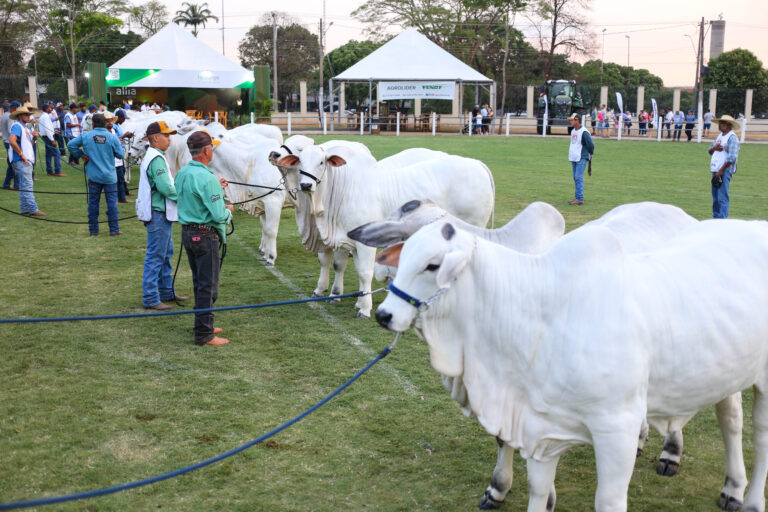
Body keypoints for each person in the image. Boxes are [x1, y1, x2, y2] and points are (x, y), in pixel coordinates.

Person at [176, 130, 233, 346]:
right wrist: (229, 211)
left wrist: (216, 187)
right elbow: (219, 215)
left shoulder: (183, 173)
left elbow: (192, 196)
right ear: (207, 151)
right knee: (208, 285)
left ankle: (204, 322)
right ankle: (204, 333)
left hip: (188, 233)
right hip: (205, 235)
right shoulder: (207, 178)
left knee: (200, 282)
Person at [137, 121, 188, 310]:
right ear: (156, 138)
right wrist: (184, 199)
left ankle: (166, 291)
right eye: (166, 135)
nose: (170, 139)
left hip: (160, 212)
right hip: (158, 213)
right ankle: (151, 297)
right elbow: (165, 187)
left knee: (165, 254)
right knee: (156, 255)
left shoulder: (156, 155)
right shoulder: (156, 158)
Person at [67, 113, 124, 236]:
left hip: (94, 176)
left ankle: (93, 231)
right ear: (105, 124)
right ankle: (114, 229)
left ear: (93, 124)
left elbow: (70, 145)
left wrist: (82, 155)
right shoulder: (112, 137)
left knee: (93, 204)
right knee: (112, 204)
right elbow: (121, 155)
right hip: (110, 176)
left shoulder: (86, 136)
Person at [8, 106, 44, 216]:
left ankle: (24, 209)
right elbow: (12, 141)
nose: (28, 116)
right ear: (20, 116)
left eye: (28, 114)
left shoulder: (25, 127)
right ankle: (33, 209)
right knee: (28, 185)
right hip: (21, 160)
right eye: (26, 114)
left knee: (24, 185)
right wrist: (21, 155)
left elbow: (29, 144)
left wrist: (34, 138)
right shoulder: (17, 126)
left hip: (24, 159)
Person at [708, 114, 741, 219]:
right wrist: (714, 148)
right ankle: (716, 219)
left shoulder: (732, 138)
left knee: (722, 197)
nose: (719, 125)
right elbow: (709, 151)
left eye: (722, 123)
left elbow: (732, 158)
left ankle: (722, 220)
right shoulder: (720, 136)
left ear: (728, 125)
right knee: (716, 198)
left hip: (724, 171)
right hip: (716, 169)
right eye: (720, 123)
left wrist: (721, 171)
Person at [567, 112, 594, 206]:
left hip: (581, 157)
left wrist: (589, 154)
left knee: (578, 177)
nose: (570, 122)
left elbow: (591, 145)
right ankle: (577, 197)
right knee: (576, 178)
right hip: (575, 157)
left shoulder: (584, 132)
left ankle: (579, 199)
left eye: (572, 120)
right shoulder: (573, 131)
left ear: (577, 120)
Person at [111, 109, 133, 203]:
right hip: (115, 155)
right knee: (117, 177)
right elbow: (114, 140)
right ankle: (119, 198)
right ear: (119, 118)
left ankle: (123, 197)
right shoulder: (113, 127)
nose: (124, 120)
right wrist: (124, 136)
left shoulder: (118, 126)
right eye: (123, 118)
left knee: (121, 176)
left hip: (120, 154)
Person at [38, 103, 65, 177]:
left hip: (45, 136)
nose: (51, 109)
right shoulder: (46, 117)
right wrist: (52, 140)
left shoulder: (42, 117)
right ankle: (57, 171)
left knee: (48, 154)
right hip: (48, 137)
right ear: (46, 109)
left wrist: (53, 130)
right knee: (57, 153)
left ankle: (49, 171)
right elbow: (47, 130)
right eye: (49, 108)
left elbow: (45, 128)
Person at [2, 100, 21, 189]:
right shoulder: (10, 117)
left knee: (11, 164)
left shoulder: (4, 115)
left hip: (6, 141)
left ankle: (6, 184)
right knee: (15, 163)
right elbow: (11, 130)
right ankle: (17, 185)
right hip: (10, 142)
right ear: (14, 108)